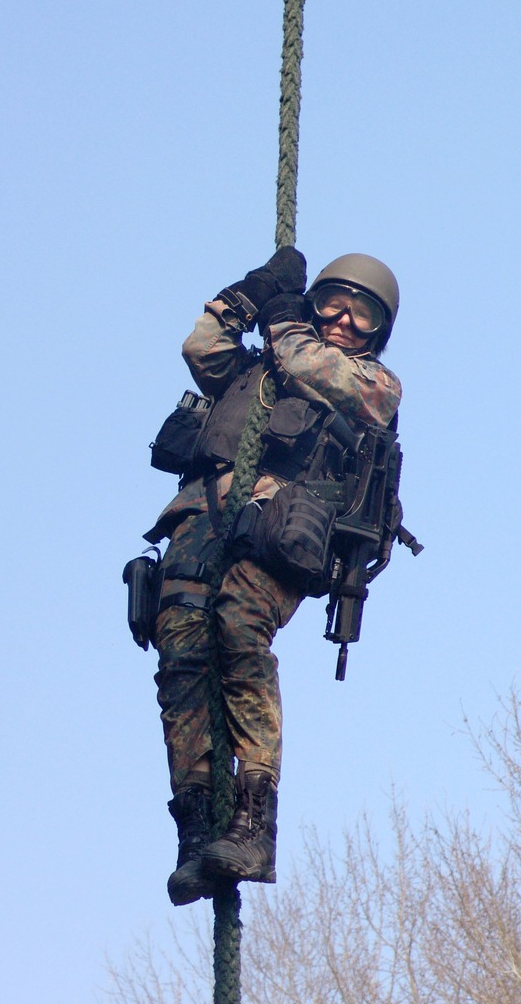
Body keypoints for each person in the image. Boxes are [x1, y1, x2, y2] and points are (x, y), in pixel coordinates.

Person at [144, 247, 402, 905]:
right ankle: (195, 824)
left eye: (362, 315)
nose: (344, 320)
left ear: (378, 332)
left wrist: (287, 320)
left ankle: (253, 823)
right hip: (201, 519)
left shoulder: (371, 385)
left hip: (279, 529)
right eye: (332, 305)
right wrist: (250, 294)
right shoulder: (259, 372)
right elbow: (203, 349)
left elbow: (302, 359)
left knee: (237, 635)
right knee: (182, 657)